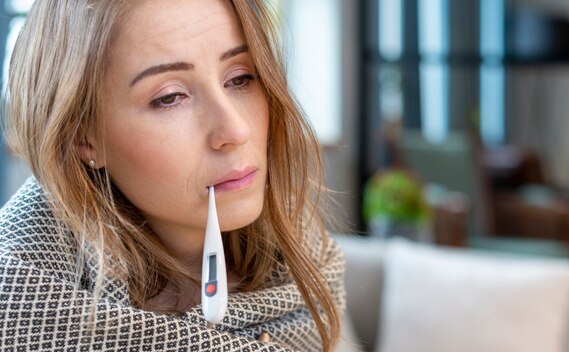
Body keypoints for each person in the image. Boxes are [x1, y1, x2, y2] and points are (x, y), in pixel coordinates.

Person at [0, 0, 345, 351]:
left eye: (241, 78)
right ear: (84, 137)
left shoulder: (300, 248)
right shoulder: (16, 296)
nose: (235, 129)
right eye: (170, 98)